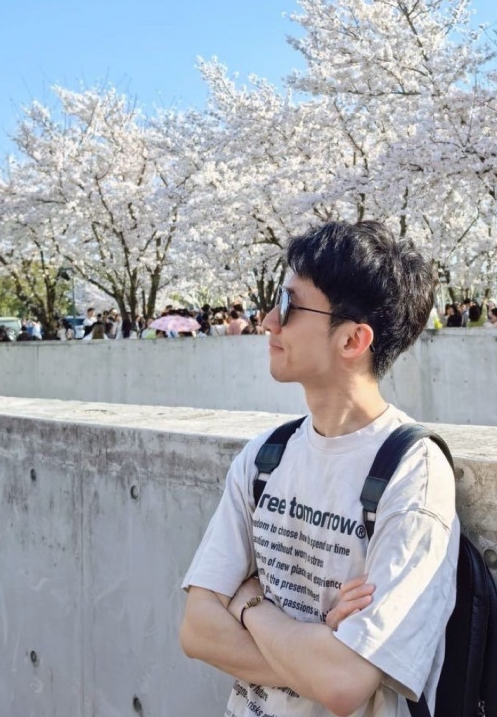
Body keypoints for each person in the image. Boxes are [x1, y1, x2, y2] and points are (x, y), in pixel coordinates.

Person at [180, 221, 458, 717]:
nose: (269, 321)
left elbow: (345, 682)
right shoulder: (266, 455)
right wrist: (317, 646)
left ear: (352, 340)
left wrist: (249, 606)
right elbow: (197, 630)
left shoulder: (412, 472)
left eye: (288, 305)